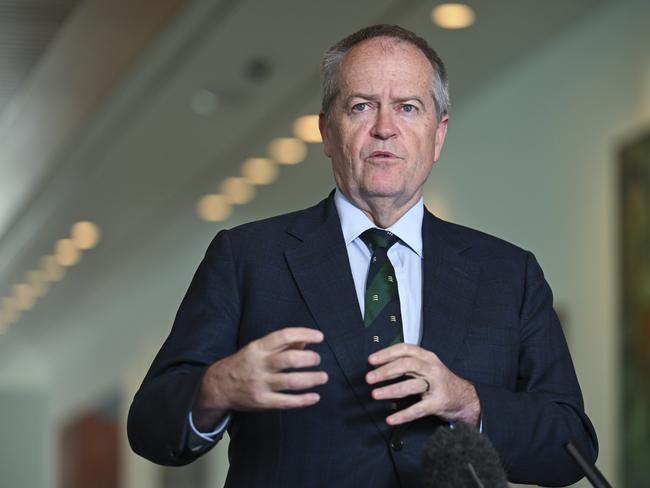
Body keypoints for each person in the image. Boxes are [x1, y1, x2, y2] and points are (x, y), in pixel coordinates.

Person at [128, 24, 598, 487]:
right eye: (361, 106)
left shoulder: (510, 275)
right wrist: (218, 386)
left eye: (408, 107)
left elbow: (570, 448)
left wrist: (467, 401)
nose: (384, 129)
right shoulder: (247, 258)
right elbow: (150, 426)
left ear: (438, 135)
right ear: (326, 132)